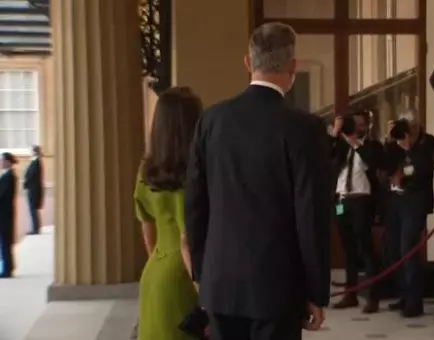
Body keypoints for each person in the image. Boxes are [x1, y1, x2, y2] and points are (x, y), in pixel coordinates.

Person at [185, 22, 332, 340]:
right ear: (293, 67)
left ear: (248, 63)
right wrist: (317, 291)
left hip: (220, 283)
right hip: (277, 288)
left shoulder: (211, 121)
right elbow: (312, 215)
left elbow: (195, 204)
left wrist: (201, 273)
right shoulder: (304, 129)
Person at [133, 87, 203, 340]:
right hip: (187, 279)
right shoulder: (196, 174)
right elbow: (189, 241)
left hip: (154, 273)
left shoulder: (147, 171)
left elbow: (147, 228)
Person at [382, 113, 434, 318]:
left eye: (411, 127)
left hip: (415, 202)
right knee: (394, 250)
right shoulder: (395, 142)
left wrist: (409, 148)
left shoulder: (427, 142)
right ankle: (404, 295)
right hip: (395, 201)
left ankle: (415, 302)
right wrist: (390, 141)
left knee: (409, 250)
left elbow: (425, 169)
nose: (407, 132)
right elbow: (385, 165)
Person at [329, 110, 383, 314]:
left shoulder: (372, 146)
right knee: (347, 248)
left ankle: (373, 297)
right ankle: (350, 294)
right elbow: (324, 155)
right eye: (353, 124)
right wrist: (335, 133)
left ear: (366, 126)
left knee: (365, 246)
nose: (356, 128)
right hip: (342, 200)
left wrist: (356, 143)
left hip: (362, 199)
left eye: (360, 124)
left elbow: (375, 163)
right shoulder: (341, 146)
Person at [0, 152, 18, 278]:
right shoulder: (7, 175)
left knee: (5, 241)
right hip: (5, 212)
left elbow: (3, 195)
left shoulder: (9, 176)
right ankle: (9, 266)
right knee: (5, 241)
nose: (0, 163)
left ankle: (7, 269)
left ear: (7, 162)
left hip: (5, 214)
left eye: (2, 160)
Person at [23, 145, 44, 235]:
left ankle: (35, 228)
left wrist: (26, 183)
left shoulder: (36, 162)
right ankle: (36, 227)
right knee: (33, 209)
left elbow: (32, 175)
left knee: (33, 209)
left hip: (33, 189)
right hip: (33, 188)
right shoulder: (35, 161)